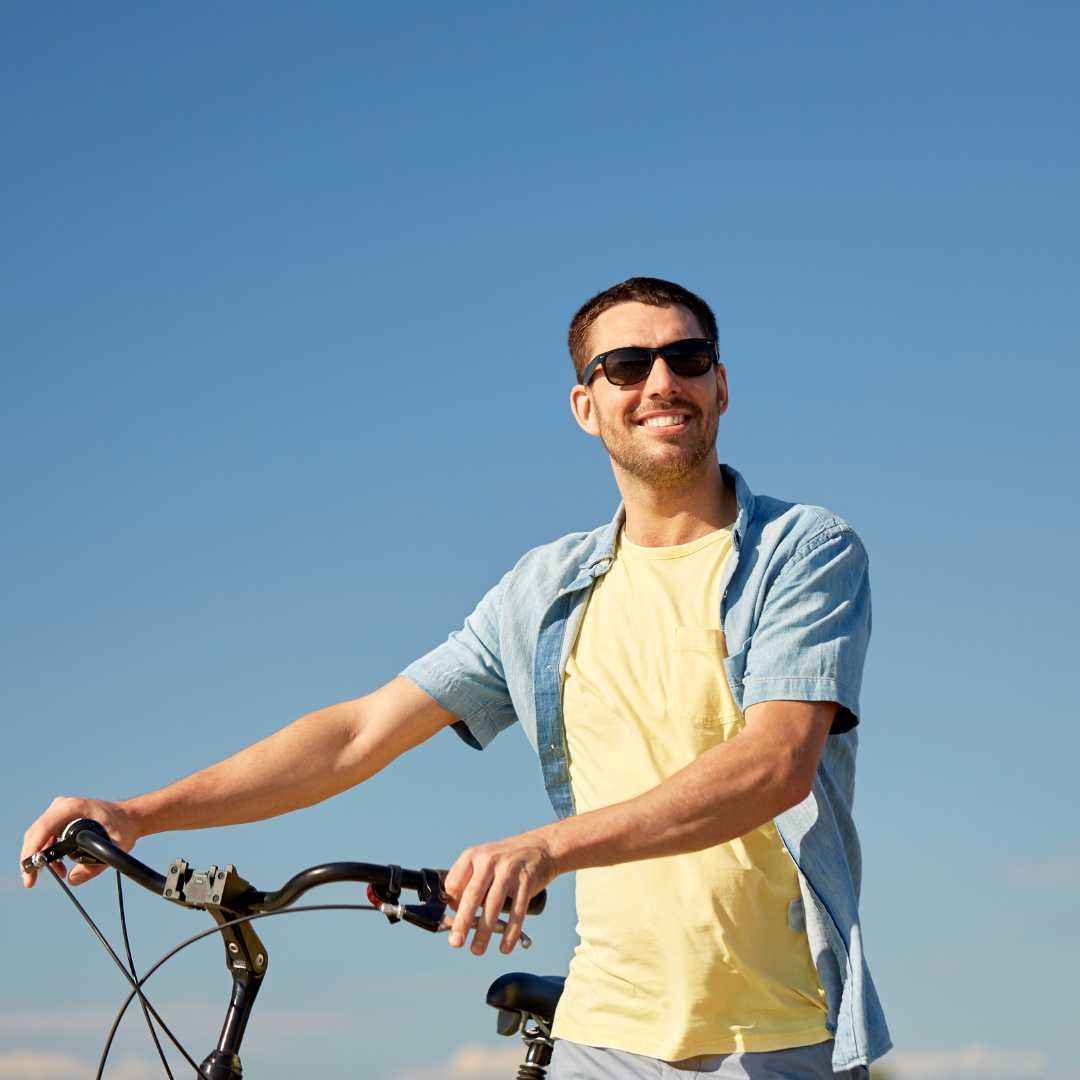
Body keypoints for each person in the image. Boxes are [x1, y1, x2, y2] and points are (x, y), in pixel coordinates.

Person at [21, 277, 891, 1078]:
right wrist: (138, 813)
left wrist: (546, 848)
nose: (661, 380)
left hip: (779, 1034)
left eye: (686, 358)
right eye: (627, 365)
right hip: (605, 1029)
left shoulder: (800, 551)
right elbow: (358, 734)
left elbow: (773, 765)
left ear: (720, 387)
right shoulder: (544, 592)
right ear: (587, 407)